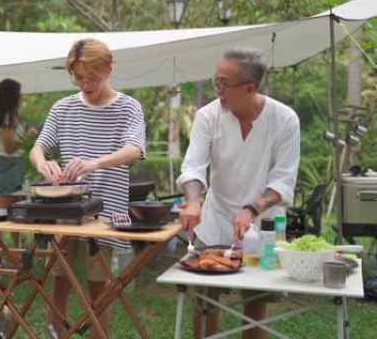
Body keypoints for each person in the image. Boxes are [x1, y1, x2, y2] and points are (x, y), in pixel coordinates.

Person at [176, 47, 300, 339]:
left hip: (264, 225)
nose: (217, 90)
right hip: (214, 218)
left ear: (249, 88)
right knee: (205, 301)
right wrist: (194, 202)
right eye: (215, 82)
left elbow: (283, 181)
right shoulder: (208, 116)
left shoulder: (285, 119)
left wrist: (252, 209)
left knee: (255, 303)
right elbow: (193, 167)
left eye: (223, 83)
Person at [30, 38, 146, 338]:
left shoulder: (128, 107)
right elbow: (38, 148)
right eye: (78, 78)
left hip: (107, 212)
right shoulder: (64, 107)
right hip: (66, 210)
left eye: (91, 78)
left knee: (99, 286)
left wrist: (94, 163)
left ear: (108, 68)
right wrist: (43, 163)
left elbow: (134, 149)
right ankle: (54, 333)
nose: (85, 84)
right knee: (58, 278)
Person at [0, 78, 25, 249]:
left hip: (13, 165)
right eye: (19, 94)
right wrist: (26, 140)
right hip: (7, 165)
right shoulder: (8, 117)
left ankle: (17, 251)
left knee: (15, 211)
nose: (21, 97)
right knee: (2, 214)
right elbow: (9, 147)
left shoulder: (12, 116)